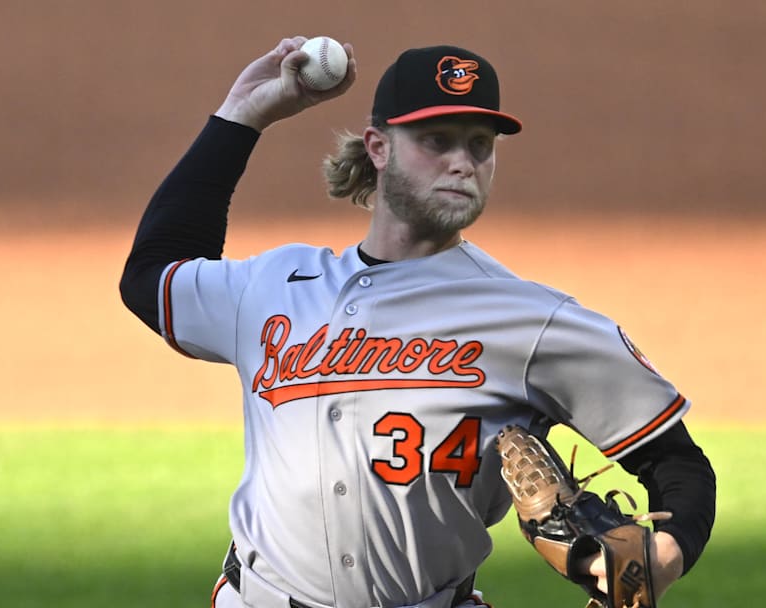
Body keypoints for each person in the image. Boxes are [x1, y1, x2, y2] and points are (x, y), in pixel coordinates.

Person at [120, 36, 716, 608]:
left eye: (479, 145)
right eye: (437, 140)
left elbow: (676, 462)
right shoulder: (274, 285)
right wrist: (240, 117)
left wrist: (664, 555)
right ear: (378, 148)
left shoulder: (534, 321)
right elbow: (151, 277)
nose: (462, 163)